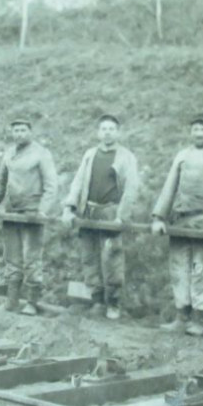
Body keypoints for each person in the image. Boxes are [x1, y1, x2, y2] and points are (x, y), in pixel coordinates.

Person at [151, 112, 203, 336]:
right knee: (179, 268)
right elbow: (170, 186)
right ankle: (182, 316)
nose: (199, 133)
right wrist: (160, 217)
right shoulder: (182, 156)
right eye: (195, 129)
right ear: (190, 132)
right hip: (180, 220)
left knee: (201, 270)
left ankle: (201, 319)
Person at [62, 113, 141, 319]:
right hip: (89, 211)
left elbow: (132, 189)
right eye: (104, 129)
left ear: (118, 132)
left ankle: (113, 302)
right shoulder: (90, 154)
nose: (107, 132)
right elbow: (78, 182)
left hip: (110, 212)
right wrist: (69, 207)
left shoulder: (126, 157)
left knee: (111, 257)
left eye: (111, 129)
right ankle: (96, 299)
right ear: (98, 132)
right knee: (89, 256)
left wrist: (121, 216)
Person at [0, 118, 59, 315]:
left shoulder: (41, 154)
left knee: (32, 258)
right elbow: (0, 181)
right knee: (12, 257)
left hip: (32, 213)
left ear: (30, 131)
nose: (19, 134)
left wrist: (42, 210)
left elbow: (51, 185)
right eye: (16, 130)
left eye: (23, 130)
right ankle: (12, 300)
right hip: (11, 212)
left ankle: (32, 302)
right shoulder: (9, 153)